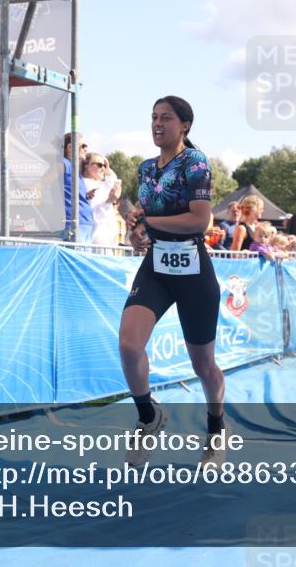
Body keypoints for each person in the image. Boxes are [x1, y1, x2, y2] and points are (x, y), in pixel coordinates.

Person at [120, 96, 226, 467]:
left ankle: (216, 428)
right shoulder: (146, 168)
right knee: (129, 345)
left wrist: (149, 223)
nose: (157, 124)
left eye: (166, 118)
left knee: (204, 366)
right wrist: (135, 232)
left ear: (185, 126)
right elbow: (146, 218)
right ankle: (149, 417)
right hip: (156, 267)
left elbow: (199, 220)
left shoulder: (195, 162)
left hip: (193, 271)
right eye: (153, 117)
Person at [83, 152, 123, 246]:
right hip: (96, 233)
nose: (103, 168)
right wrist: (109, 201)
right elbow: (94, 213)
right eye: (99, 165)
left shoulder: (100, 184)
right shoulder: (86, 183)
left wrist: (108, 169)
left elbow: (112, 181)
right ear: (87, 166)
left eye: (104, 165)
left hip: (106, 232)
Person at [63, 132, 94, 242]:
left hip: (85, 222)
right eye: (83, 145)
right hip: (73, 222)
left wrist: (86, 196)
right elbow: (42, 183)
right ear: (70, 147)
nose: (86, 149)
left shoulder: (74, 168)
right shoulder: (63, 164)